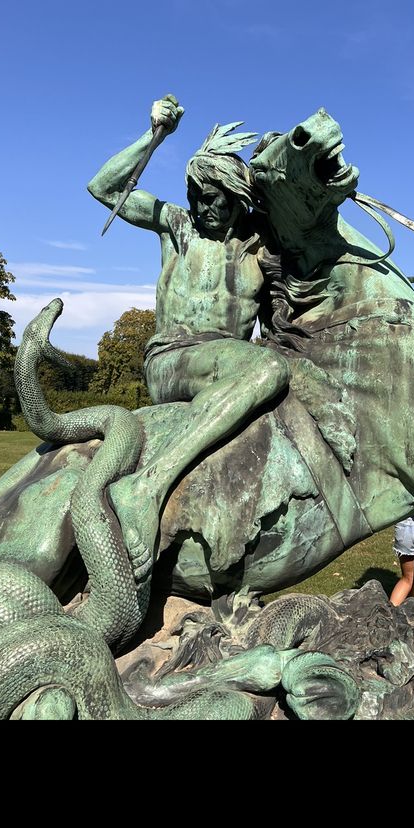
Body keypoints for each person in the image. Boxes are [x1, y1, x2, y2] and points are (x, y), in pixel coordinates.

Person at [87, 94, 290, 562]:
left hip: (225, 369)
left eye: (214, 200)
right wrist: (155, 136)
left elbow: (277, 324)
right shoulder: (178, 226)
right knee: (267, 370)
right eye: (197, 198)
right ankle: (148, 487)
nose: (203, 208)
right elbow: (103, 187)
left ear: (238, 199)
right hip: (172, 359)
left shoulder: (261, 249)